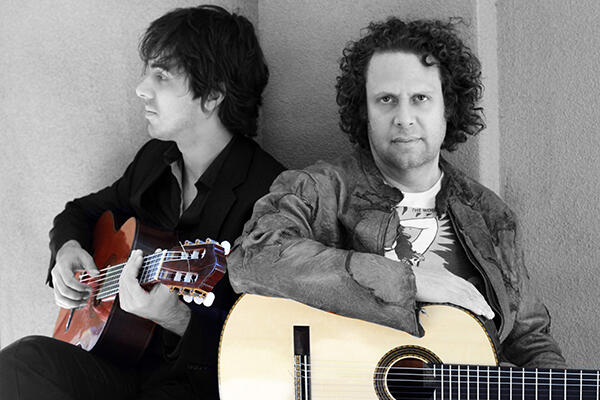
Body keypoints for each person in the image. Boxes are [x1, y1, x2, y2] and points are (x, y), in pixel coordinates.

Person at [228, 18, 565, 368]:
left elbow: (530, 340)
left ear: (448, 107)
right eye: (386, 99)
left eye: (420, 98)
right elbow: (252, 260)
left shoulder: (490, 215)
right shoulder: (319, 189)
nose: (404, 118)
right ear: (365, 111)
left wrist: (557, 383)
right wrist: (407, 281)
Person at [0, 5, 284, 399]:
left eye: (161, 76)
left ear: (213, 94)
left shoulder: (272, 193)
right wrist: (67, 250)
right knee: (20, 363)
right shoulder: (155, 159)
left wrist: (177, 318)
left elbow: (272, 344)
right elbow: (81, 212)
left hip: (197, 384)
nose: (141, 89)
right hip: (118, 360)